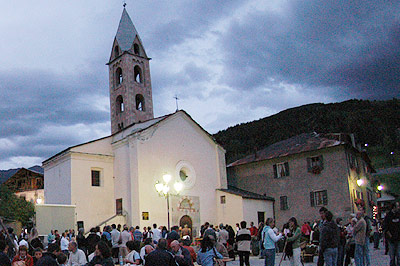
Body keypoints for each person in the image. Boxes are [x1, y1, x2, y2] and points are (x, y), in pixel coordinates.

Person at [383, 201, 400, 266]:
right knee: (392, 256)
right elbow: (386, 227)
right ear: (394, 207)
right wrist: (390, 236)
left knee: (399, 255)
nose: (398, 207)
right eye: (397, 206)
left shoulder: (399, 214)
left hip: (398, 238)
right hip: (391, 239)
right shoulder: (388, 216)